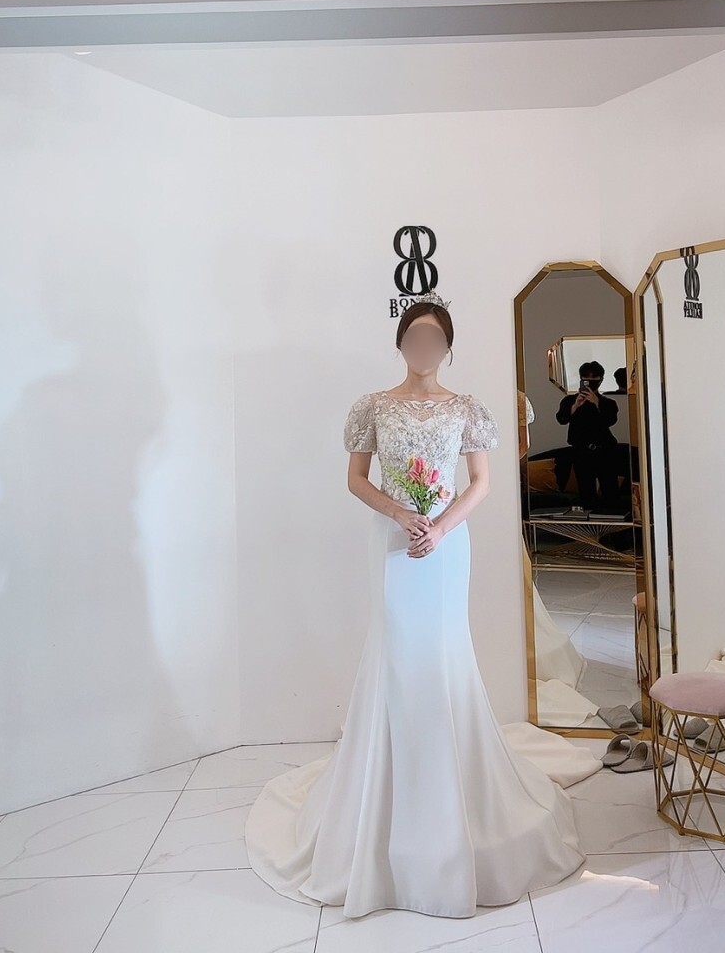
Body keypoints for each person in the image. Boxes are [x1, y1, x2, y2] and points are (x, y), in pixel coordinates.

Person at [244, 292, 600, 919]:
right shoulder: (372, 406)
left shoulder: (466, 408)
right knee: (397, 654)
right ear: (402, 344)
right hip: (393, 541)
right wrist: (401, 514)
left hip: (446, 544)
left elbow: (482, 483)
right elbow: (356, 478)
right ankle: (386, 795)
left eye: (435, 339)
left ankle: (451, 788)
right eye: (415, 338)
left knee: (442, 653)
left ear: (448, 348)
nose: (424, 348)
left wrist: (438, 527)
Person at [555, 361, 621, 509]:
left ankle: (612, 520)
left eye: (594, 380)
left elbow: (610, 420)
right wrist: (575, 406)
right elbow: (561, 419)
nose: (590, 383)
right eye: (586, 380)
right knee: (586, 492)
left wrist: (597, 402)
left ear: (601, 380)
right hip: (581, 452)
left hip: (605, 451)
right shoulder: (569, 400)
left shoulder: (608, 403)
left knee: (610, 491)